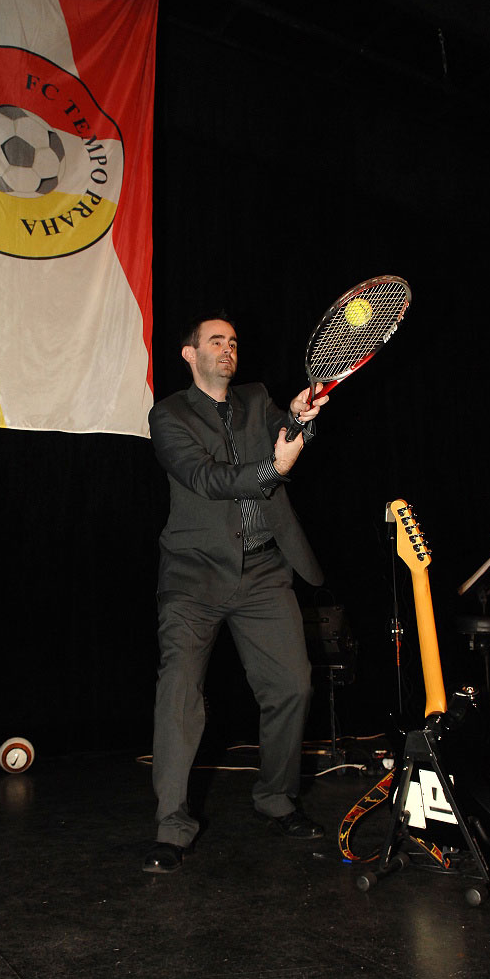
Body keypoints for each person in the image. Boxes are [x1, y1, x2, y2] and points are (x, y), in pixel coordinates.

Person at [143, 311, 329, 873]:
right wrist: (272, 468)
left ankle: (276, 798)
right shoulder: (168, 415)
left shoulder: (255, 397)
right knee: (179, 692)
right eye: (216, 341)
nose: (228, 349)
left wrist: (299, 416)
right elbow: (205, 478)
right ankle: (171, 827)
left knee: (293, 686)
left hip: (264, 570)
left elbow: (284, 429)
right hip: (195, 577)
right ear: (189, 354)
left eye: (234, 342)